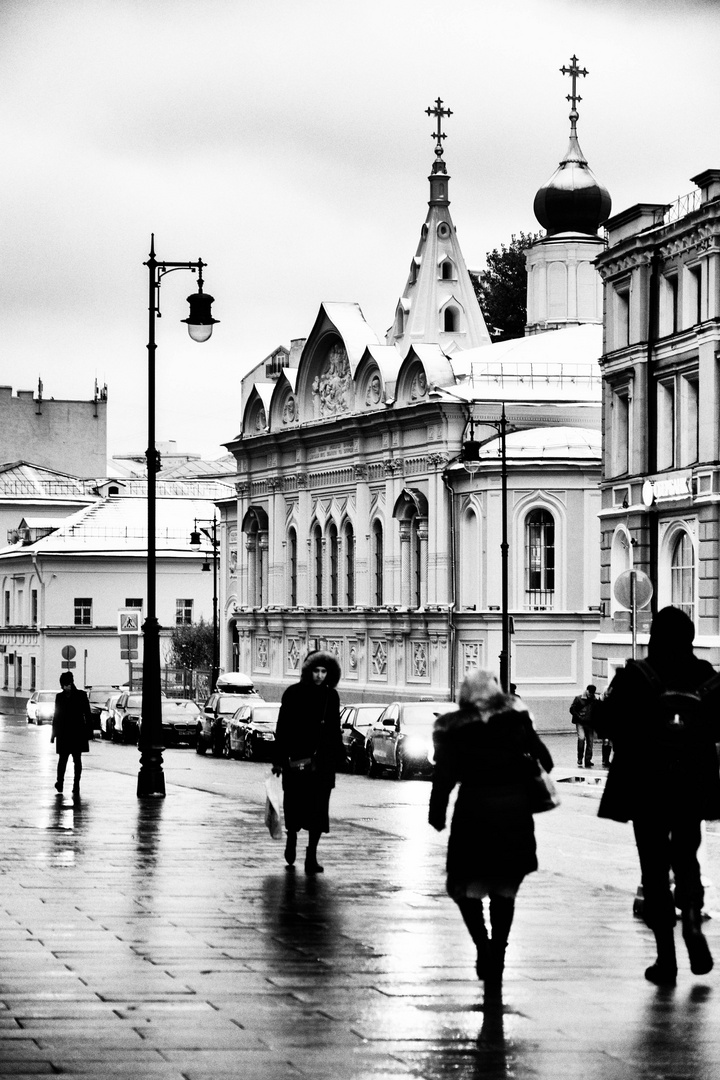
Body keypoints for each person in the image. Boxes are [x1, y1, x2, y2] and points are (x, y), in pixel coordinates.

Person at [594, 606, 720, 986]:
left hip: (646, 788)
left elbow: (605, 723)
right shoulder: (707, 678)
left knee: (653, 867)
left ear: (654, 637)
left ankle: (666, 959)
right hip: (692, 787)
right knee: (687, 855)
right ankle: (693, 922)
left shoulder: (635, 676)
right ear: (690, 637)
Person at [429, 669, 554, 997]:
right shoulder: (516, 716)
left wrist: (436, 813)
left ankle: (482, 945)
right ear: (496, 691)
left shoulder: (450, 726)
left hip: (474, 811)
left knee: (463, 884)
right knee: (505, 886)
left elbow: (444, 775)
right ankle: (497, 951)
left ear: (465, 694)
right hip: (514, 810)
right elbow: (546, 760)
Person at [272, 650, 344, 874]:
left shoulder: (331, 697)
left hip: (322, 764)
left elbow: (333, 730)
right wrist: (279, 760)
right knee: (294, 807)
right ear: (308, 671)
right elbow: (282, 728)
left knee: (319, 812)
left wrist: (338, 755)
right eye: (316, 670)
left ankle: (311, 856)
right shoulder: (293, 693)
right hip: (296, 762)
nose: (320, 676)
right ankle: (291, 839)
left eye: (324, 671)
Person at [51, 672, 92, 797]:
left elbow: (87, 714)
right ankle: (60, 782)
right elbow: (56, 716)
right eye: (63, 685)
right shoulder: (60, 697)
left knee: (76, 760)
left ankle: (76, 784)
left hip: (76, 733)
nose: (64, 688)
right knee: (63, 760)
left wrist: (89, 732)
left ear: (71, 683)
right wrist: (53, 734)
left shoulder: (81, 695)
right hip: (65, 734)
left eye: (66, 685)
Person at [570, 683, 598, 767]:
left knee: (590, 742)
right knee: (581, 738)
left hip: (590, 723)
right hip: (580, 722)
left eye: (592, 693)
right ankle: (580, 758)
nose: (591, 695)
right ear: (587, 691)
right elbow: (572, 709)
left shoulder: (594, 699)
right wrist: (578, 716)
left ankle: (588, 760)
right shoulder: (578, 698)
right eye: (590, 693)